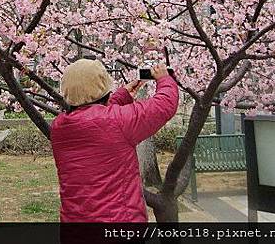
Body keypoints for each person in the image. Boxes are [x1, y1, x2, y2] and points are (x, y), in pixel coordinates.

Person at [51, 58, 179, 222]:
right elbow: (163, 105)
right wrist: (164, 78)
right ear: (104, 90)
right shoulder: (118, 122)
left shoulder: (59, 128)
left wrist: (123, 95)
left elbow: (91, 115)